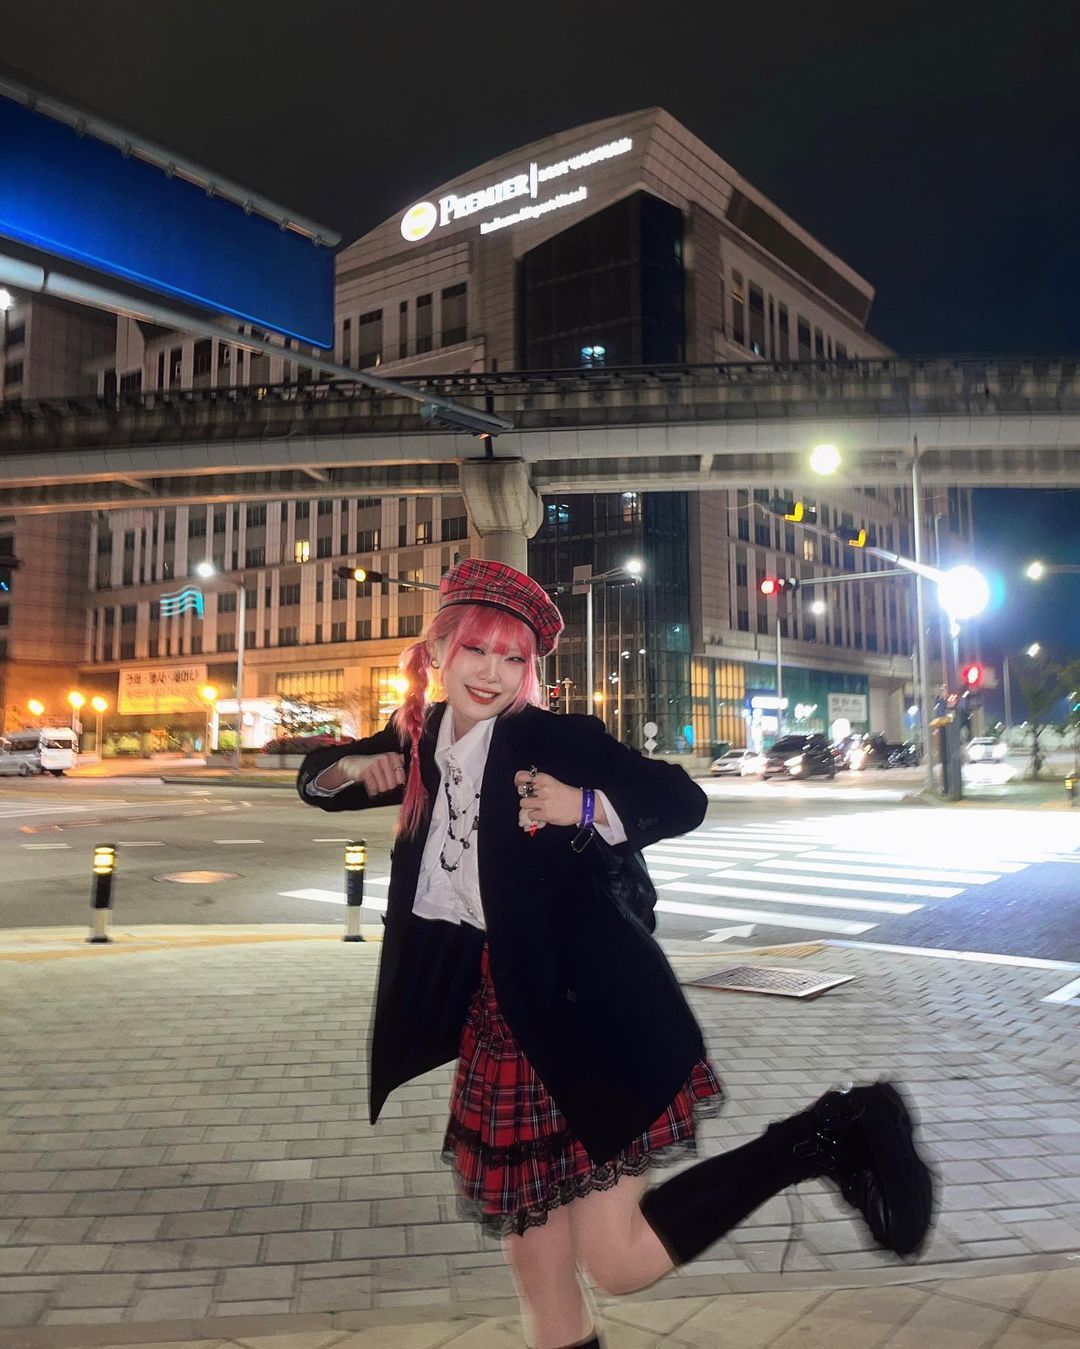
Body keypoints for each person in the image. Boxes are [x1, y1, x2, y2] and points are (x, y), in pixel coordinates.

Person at [299, 558, 935, 1349]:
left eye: (512, 658)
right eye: (476, 651)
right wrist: (349, 769)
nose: (492, 673)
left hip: (597, 1019)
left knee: (616, 1260)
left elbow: (681, 797)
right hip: (502, 1027)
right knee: (540, 1275)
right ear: (438, 653)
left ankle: (824, 1134)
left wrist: (584, 804)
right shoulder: (422, 736)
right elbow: (319, 775)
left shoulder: (552, 739)